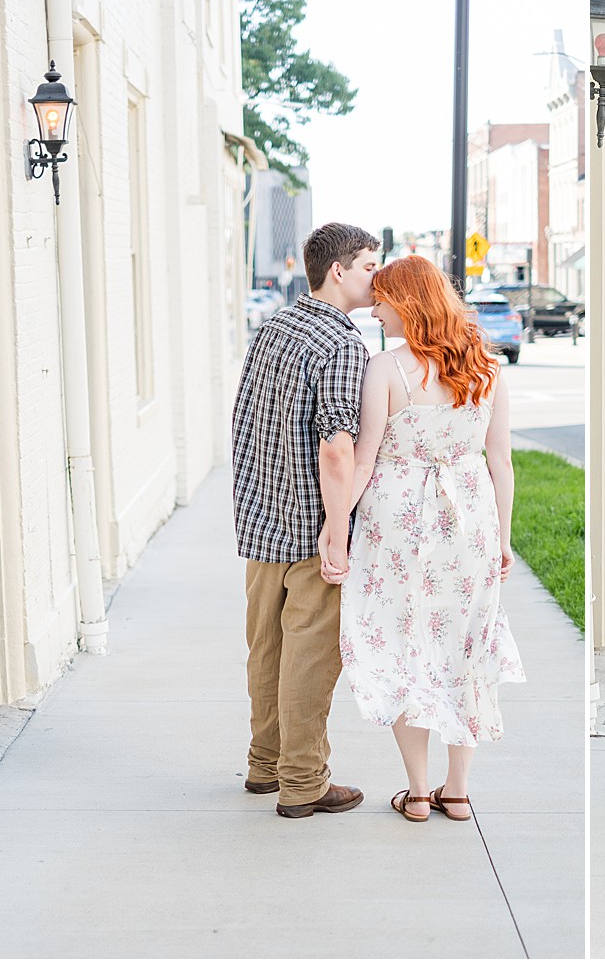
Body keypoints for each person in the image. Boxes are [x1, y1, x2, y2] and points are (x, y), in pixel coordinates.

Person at [328, 254, 526, 823]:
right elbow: (502, 462)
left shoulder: (386, 368)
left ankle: (417, 793)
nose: (376, 310)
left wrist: (337, 532)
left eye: (384, 300)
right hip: (469, 518)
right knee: (465, 647)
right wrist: (504, 539)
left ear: (407, 302)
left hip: (397, 521)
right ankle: (457, 792)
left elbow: (364, 462)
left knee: (405, 645)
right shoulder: (486, 366)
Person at [231, 222, 380, 818]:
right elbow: (337, 448)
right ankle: (303, 781)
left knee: (265, 649)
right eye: (371, 265)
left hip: (260, 520)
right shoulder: (342, 344)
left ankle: (264, 764)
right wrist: (337, 529)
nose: (379, 277)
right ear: (338, 271)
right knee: (310, 657)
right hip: (309, 528)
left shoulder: (273, 328)